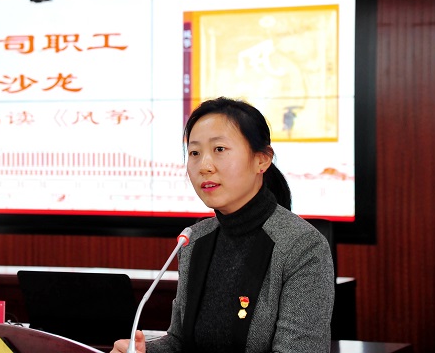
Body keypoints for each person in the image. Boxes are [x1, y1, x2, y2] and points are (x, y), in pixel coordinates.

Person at [112, 97, 335, 353]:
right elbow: (179, 342)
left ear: (262, 160)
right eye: (194, 153)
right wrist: (144, 352)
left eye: (219, 149)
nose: (204, 166)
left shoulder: (302, 246)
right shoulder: (194, 239)